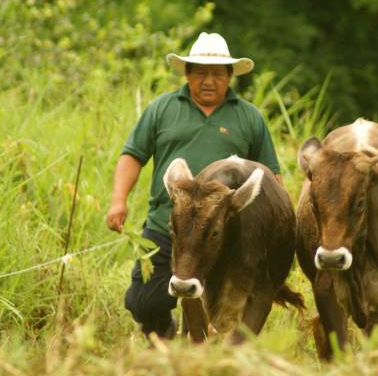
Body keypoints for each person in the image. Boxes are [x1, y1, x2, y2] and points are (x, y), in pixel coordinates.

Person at [106, 32, 282, 338]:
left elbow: (270, 176)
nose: (208, 81)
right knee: (143, 302)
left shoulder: (249, 117)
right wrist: (118, 200)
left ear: (230, 76)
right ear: (187, 74)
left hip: (224, 233)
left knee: (206, 301)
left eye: (217, 73)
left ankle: (195, 353)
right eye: (200, 73)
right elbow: (133, 155)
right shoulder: (162, 109)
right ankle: (163, 329)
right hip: (167, 224)